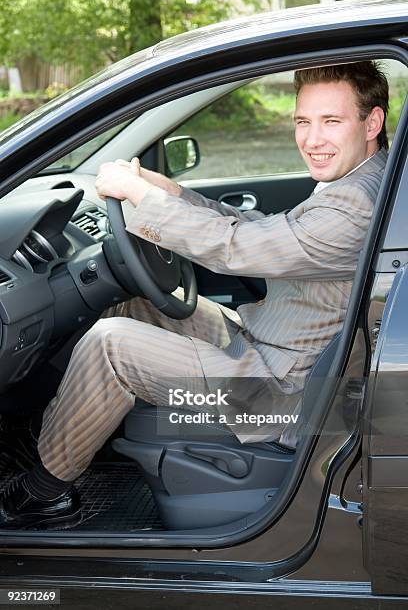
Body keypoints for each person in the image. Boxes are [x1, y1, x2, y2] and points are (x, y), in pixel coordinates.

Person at [0, 61, 389, 530]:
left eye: (331, 121)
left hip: (278, 395)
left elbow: (235, 247)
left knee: (111, 344)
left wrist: (142, 198)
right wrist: (174, 192)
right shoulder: (361, 181)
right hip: (273, 352)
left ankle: (43, 496)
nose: (311, 138)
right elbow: (264, 229)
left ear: (373, 122)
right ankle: (66, 435)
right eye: (303, 122)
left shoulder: (355, 204)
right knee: (135, 303)